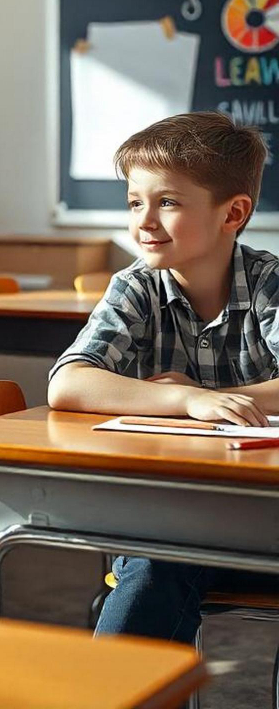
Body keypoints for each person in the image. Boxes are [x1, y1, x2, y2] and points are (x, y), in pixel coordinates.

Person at [48, 111, 279, 642]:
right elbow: (68, 383)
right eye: (135, 203)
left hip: (265, 520)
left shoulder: (269, 282)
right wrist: (188, 404)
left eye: (167, 202)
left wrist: (207, 395)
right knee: (153, 566)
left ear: (233, 213)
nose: (143, 221)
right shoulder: (135, 287)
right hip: (171, 521)